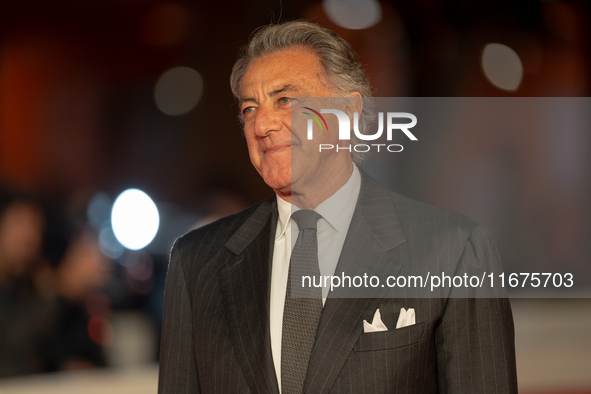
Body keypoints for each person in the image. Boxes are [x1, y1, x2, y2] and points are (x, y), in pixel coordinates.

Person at [158, 20, 517, 394]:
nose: (261, 124)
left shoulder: (454, 250)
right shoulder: (197, 262)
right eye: (250, 108)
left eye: (285, 100)